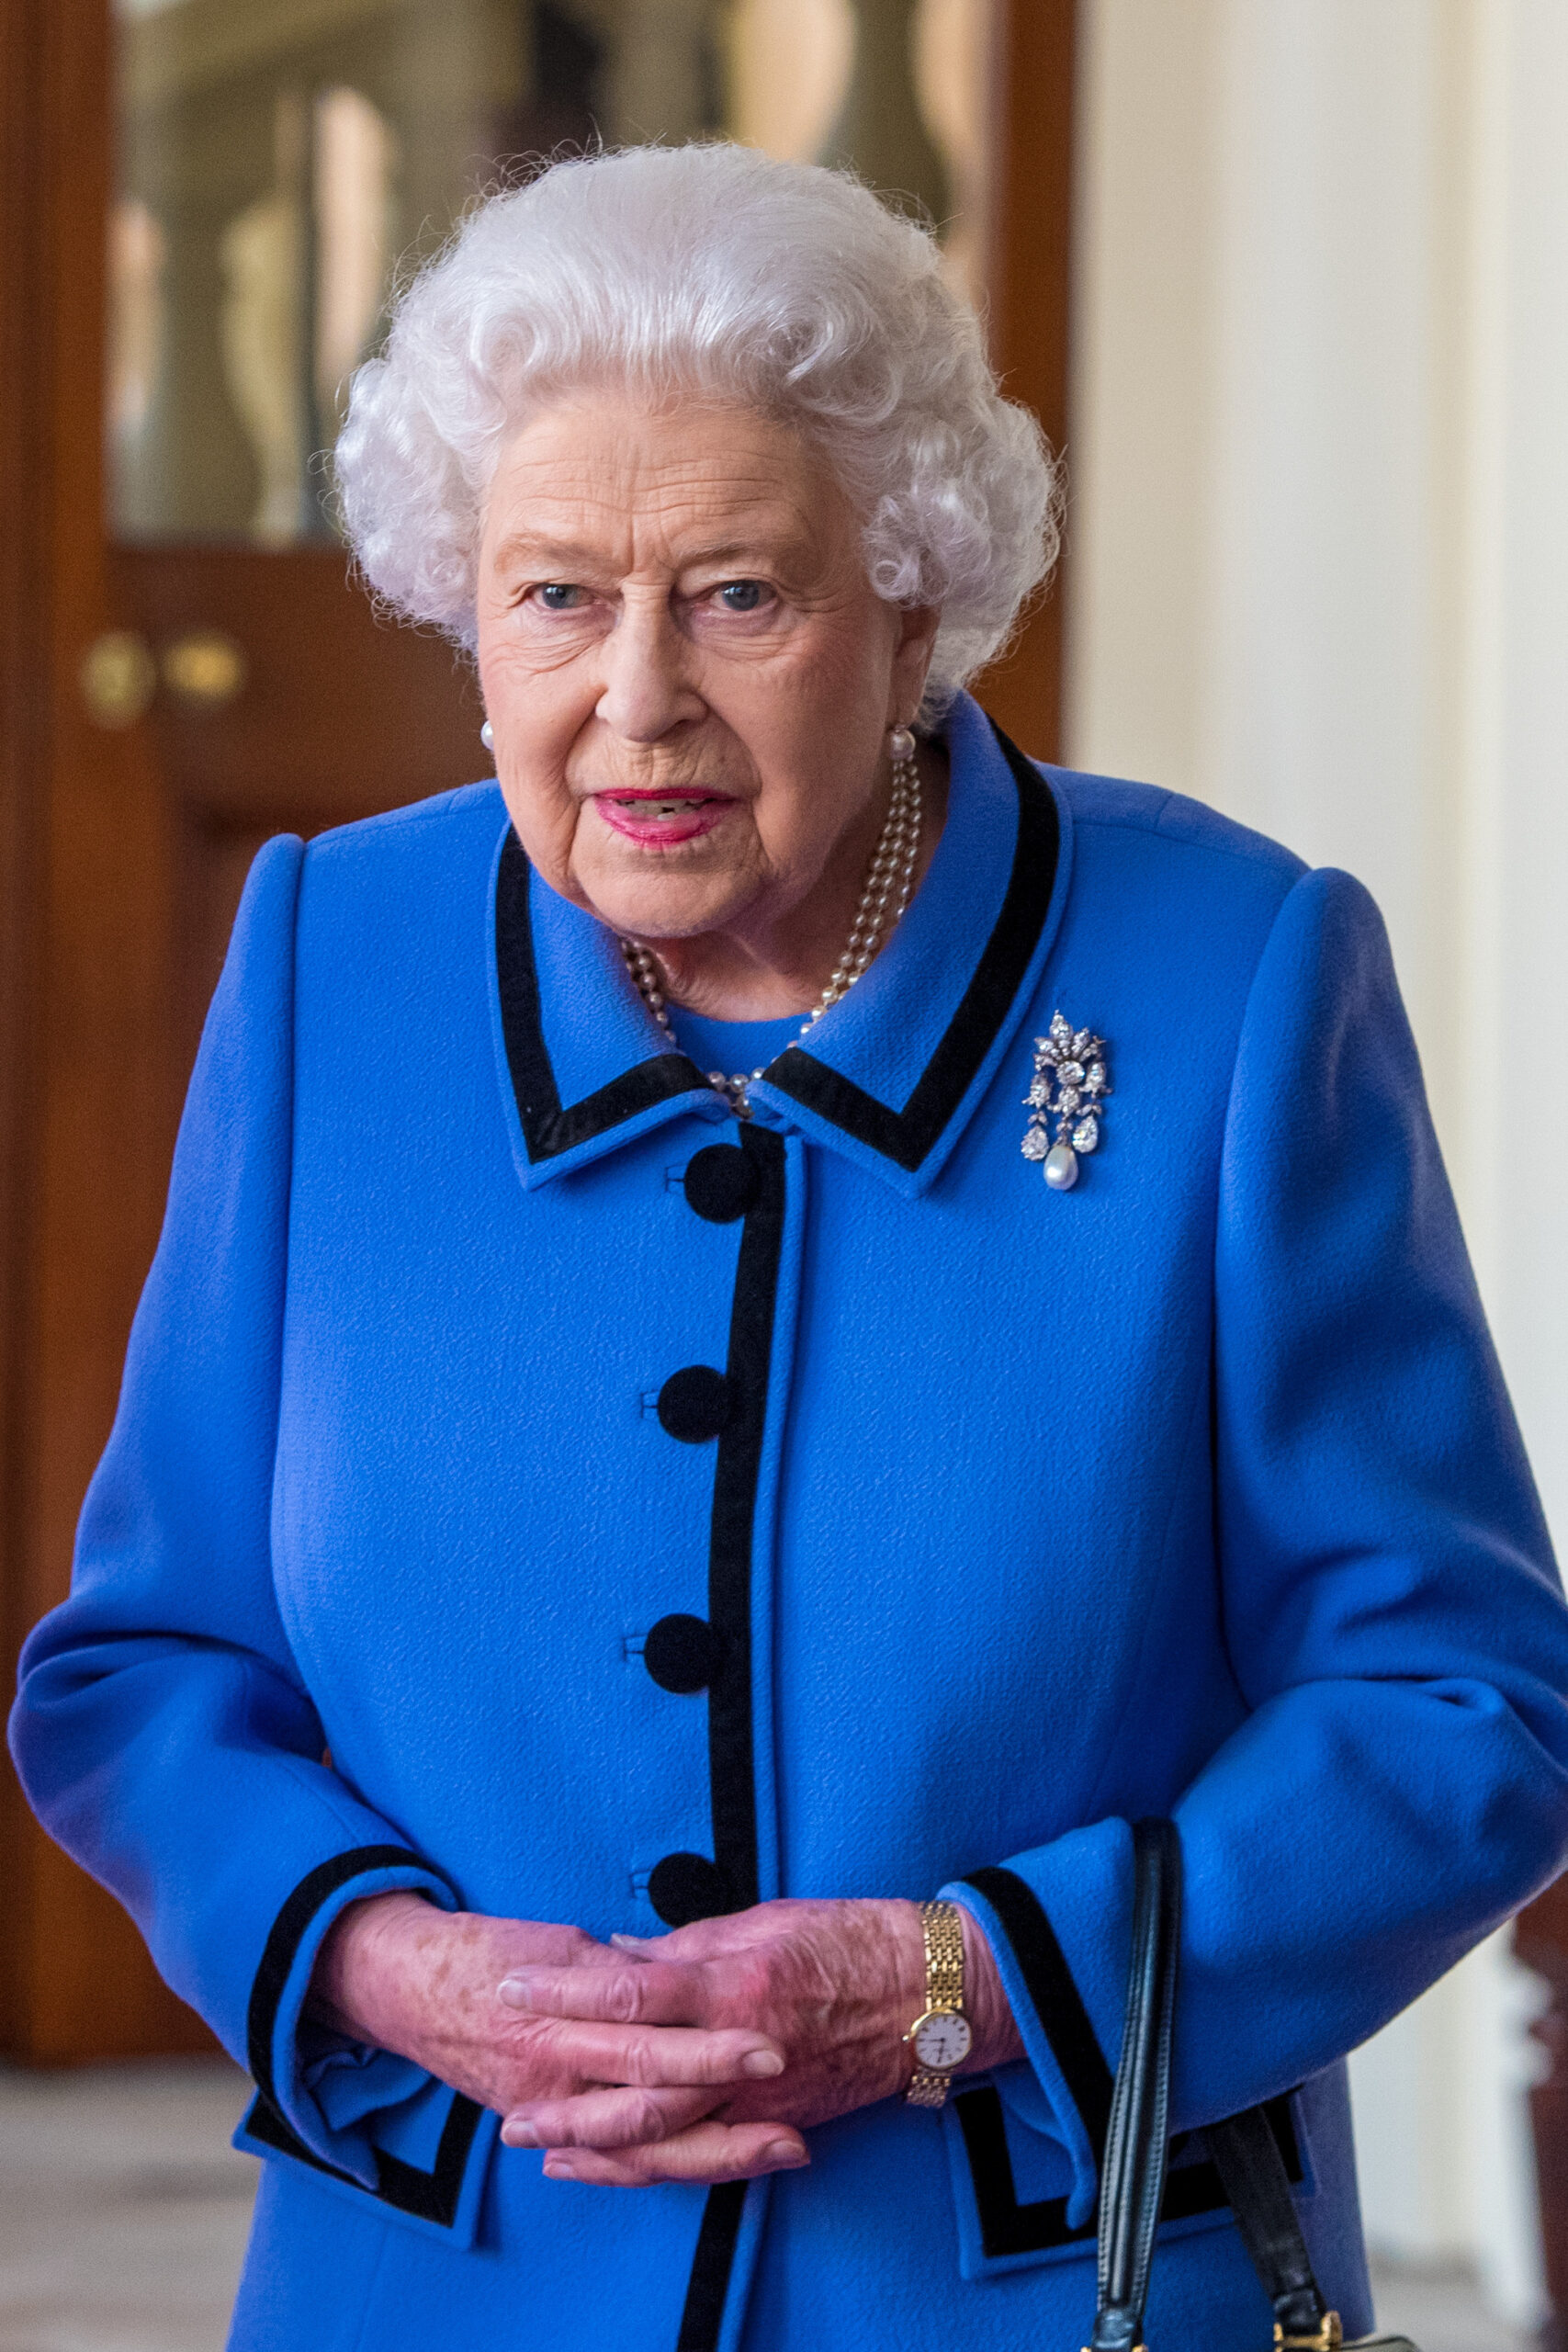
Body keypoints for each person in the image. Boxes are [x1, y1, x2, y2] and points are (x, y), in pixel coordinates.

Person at [12, 143, 1568, 2352]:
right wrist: (382, 1959)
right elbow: (143, 1668)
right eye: (552, 594)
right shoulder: (324, 961)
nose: (633, 700)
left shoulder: (1227, 979)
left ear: (911, 598)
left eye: (736, 592)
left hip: (1037, 2294)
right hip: (439, 2284)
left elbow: (1458, 1701)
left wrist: (959, 1983)